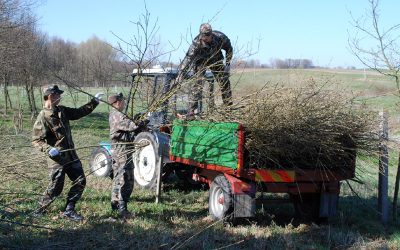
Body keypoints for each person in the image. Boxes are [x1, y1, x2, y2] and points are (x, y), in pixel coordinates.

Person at [32, 85, 103, 221]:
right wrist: (48, 149)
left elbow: (78, 112)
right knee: (56, 187)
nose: (60, 97)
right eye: (58, 95)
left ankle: (69, 210)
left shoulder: (62, 110)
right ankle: (40, 209)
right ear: (51, 96)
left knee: (80, 181)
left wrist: (94, 102)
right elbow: (36, 140)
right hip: (57, 159)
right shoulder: (43, 116)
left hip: (71, 155)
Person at [177, 23, 233, 115]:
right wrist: (181, 73)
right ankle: (191, 111)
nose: (205, 38)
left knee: (225, 82)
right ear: (201, 35)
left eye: (208, 36)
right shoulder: (196, 44)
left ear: (211, 34)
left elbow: (229, 48)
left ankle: (228, 109)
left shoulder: (220, 38)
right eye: (203, 36)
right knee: (197, 85)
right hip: (201, 62)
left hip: (216, 59)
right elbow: (187, 59)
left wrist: (227, 63)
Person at [108, 93, 147, 218]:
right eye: (122, 101)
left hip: (123, 150)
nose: (124, 103)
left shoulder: (118, 114)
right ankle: (121, 208)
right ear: (118, 102)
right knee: (125, 179)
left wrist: (140, 124)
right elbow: (132, 126)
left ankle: (115, 204)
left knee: (119, 177)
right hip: (121, 151)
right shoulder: (117, 115)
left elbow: (133, 129)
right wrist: (142, 120)